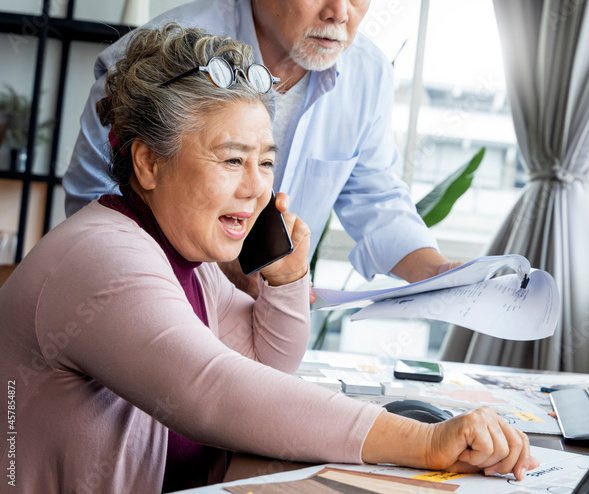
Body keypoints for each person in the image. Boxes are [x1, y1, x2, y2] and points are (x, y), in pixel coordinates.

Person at [0, 24, 536, 492]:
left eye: (265, 161)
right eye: (232, 160)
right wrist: (425, 440)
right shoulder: (104, 257)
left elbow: (262, 365)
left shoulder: (184, 259)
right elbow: (213, 391)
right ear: (147, 163)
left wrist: (284, 277)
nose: (257, 188)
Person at [63, 0, 458, 286]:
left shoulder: (368, 75)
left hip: (270, 328)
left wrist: (439, 272)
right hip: (157, 305)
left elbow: (378, 202)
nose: (339, 12)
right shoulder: (159, 56)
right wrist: (218, 269)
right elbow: (93, 203)